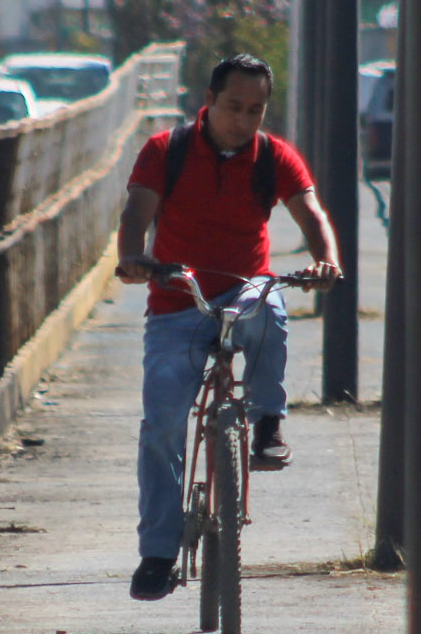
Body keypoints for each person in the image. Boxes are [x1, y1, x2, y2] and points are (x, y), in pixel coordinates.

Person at [114, 52, 343, 602]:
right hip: (178, 298)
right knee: (163, 425)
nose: (244, 119)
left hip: (243, 286)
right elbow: (136, 214)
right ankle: (158, 554)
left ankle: (268, 423)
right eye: (234, 106)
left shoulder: (273, 157)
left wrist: (325, 261)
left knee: (268, 307)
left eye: (256, 109)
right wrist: (132, 258)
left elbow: (312, 213)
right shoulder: (166, 151)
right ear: (209, 102)